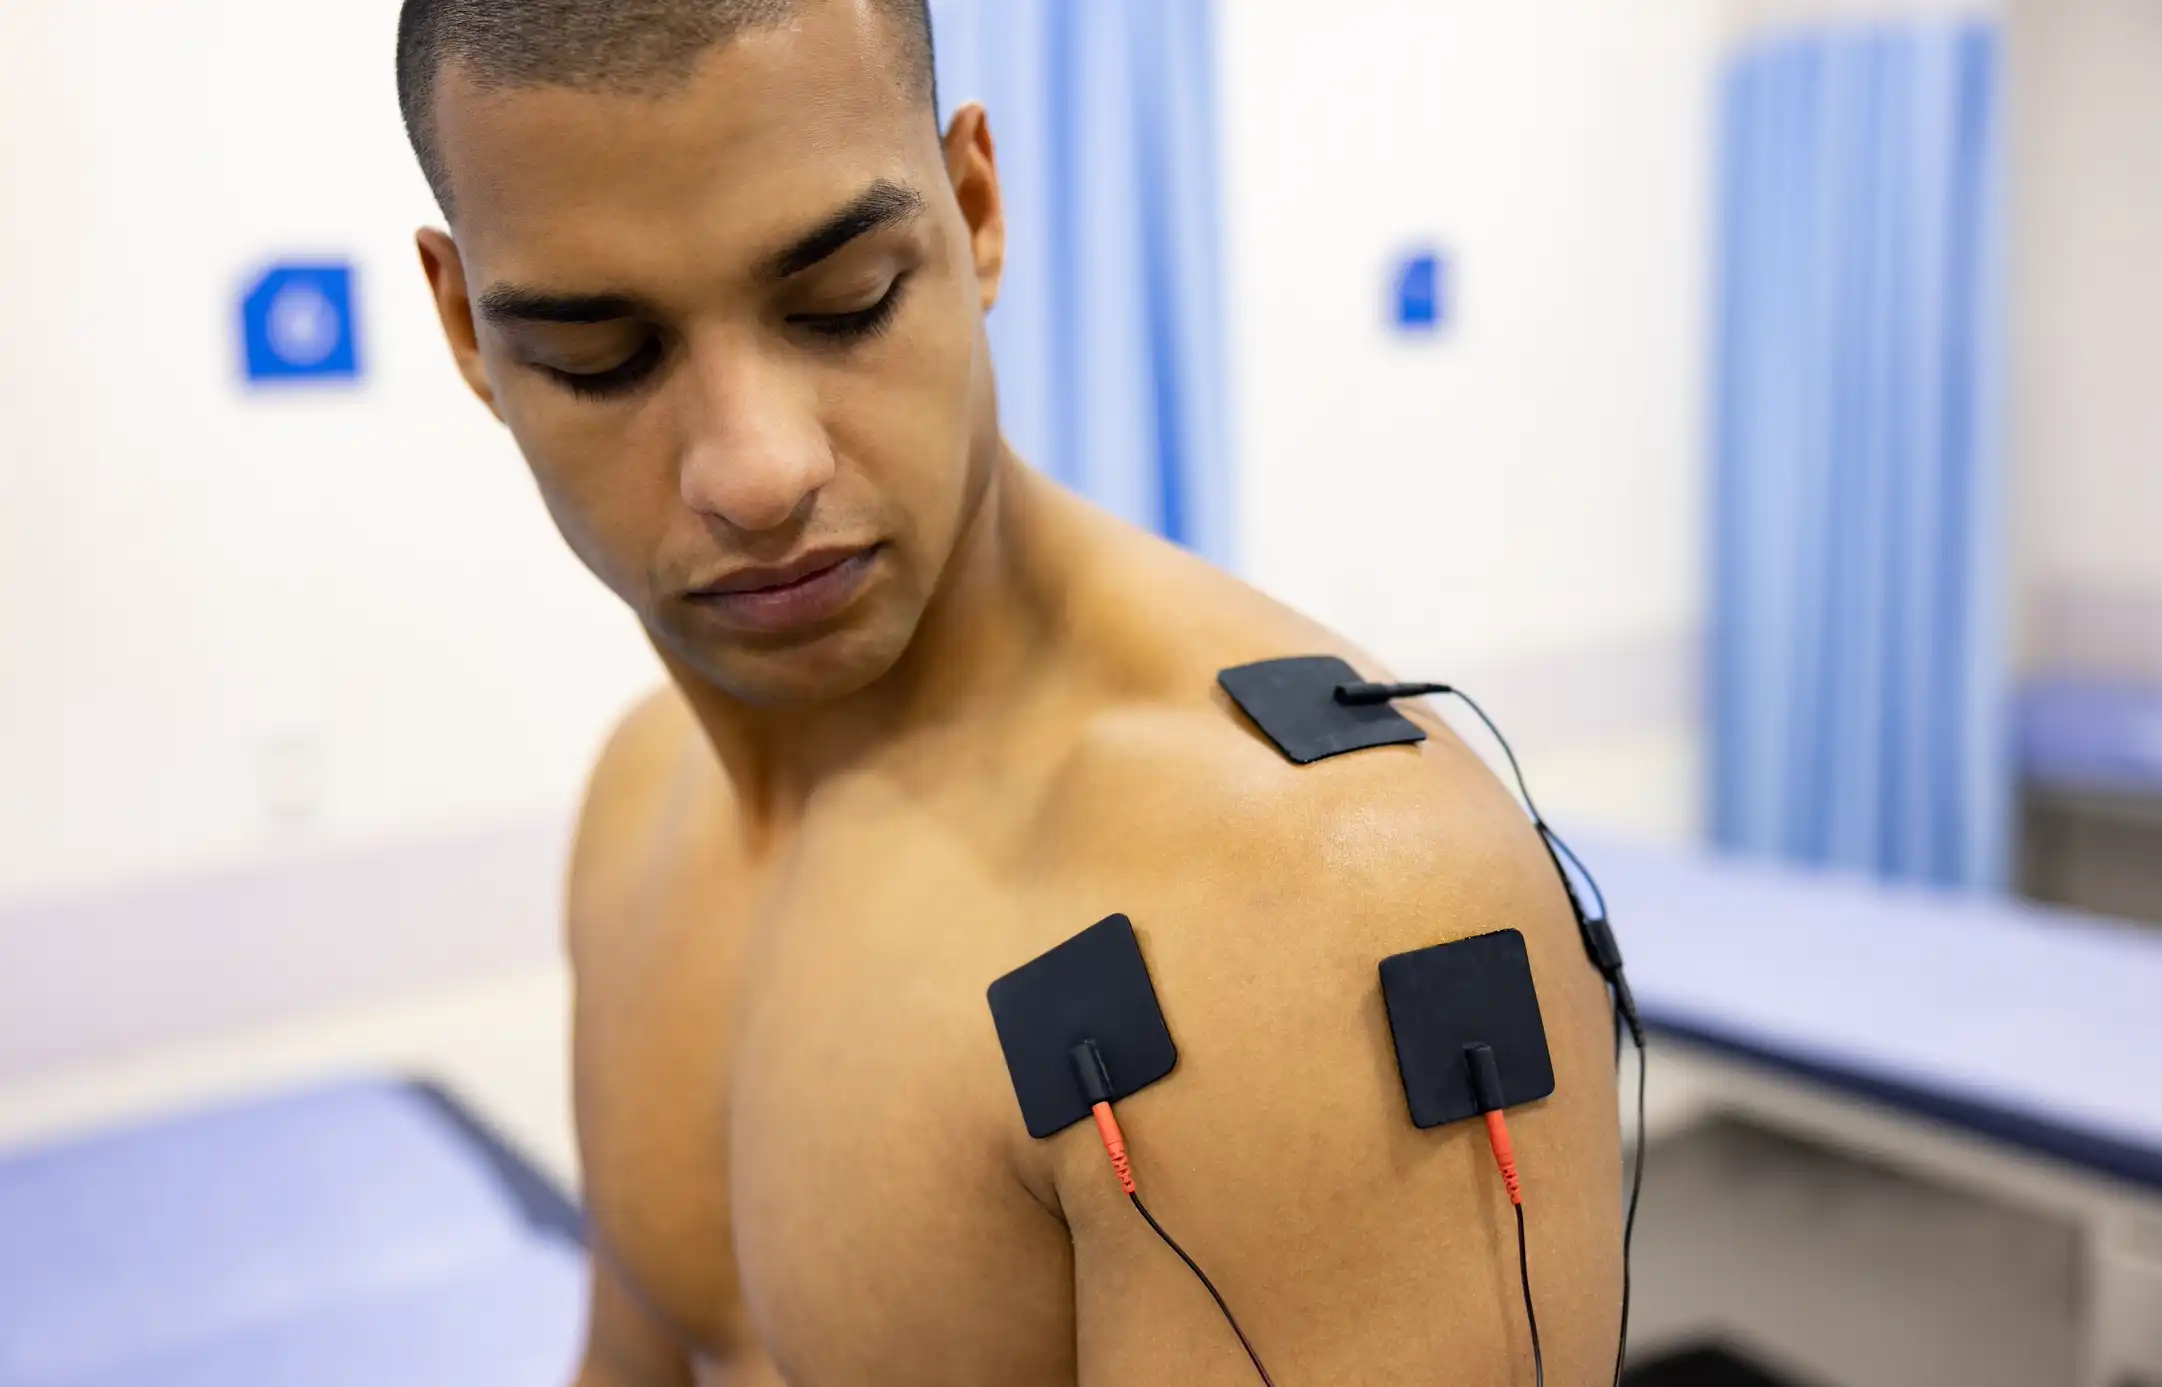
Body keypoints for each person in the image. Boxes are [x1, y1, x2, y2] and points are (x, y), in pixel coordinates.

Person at [396, 1, 1623, 1381]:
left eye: (842, 301)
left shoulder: (1310, 903)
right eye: (600, 357)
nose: (754, 471)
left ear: (974, 210)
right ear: (464, 329)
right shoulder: (639, 803)